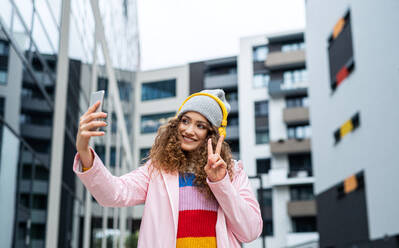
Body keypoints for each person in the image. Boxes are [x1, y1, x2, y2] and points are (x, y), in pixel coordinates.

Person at [73, 89, 263, 247]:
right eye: (185, 120)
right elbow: (113, 194)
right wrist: (83, 150)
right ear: (176, 123)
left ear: (212, 134)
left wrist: (220, 182)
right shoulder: (156, 170)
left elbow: (250, 231)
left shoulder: (233, 172)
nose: (189, 130)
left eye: (200, 125)